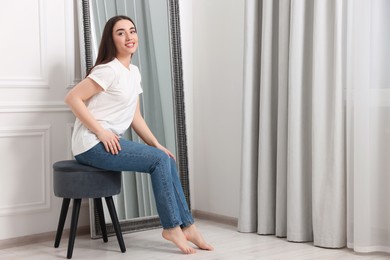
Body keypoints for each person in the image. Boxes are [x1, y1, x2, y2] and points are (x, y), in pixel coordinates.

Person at [65, 15, 213, 254]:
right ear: (111, 39)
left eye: (132, 31)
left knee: (164, 157)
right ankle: (172, 227)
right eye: (120, 32)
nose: (129, 37)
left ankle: (188, 226)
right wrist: (101, 132)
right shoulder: (108, 70)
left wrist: (157, 144)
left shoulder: (133, 72)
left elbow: (136, 118)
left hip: (108, 141)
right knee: (158, 161)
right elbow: (72, 98)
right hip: (91, 144)